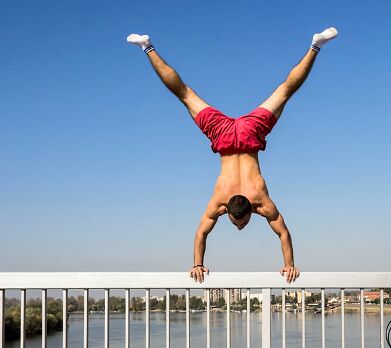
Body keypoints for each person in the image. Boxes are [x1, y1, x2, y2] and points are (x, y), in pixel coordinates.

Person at [126, 28, 339, 283]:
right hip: (234, 138)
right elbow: (279, 233)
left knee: (189, 93)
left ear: (233, 211)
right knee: (189, 94)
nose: (239, 226)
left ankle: (147, 47)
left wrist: (198, 264)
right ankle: (315, 45)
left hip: (234, 138)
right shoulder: (246, 203)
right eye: (242, 223)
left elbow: (203, 234)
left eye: (239, 223)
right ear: (241, 210)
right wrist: (288, 264)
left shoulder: (254, 202)